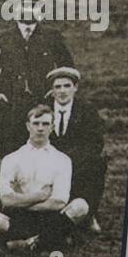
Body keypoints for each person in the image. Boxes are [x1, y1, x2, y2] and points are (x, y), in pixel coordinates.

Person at [0, 105, 89, 250]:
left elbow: (59, 202)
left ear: (52, 127)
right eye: (36, 123)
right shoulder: (11, 159)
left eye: (45, 124)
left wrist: (22, 200)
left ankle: (26, 243)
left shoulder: (62, 159)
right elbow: (6, 200)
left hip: (50, 217)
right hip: (19, 218)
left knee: (80, 206)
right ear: (28, 126)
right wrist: (40, 196)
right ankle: (49, 240)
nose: (40, 128)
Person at [0, 0, 74, 156]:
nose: (28, 11)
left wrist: (54, 91)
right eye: (24, 6)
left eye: (34, 6)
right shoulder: (2, 38)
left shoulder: (52, 37)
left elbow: (67, 67)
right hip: (11, 104)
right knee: (11, 150)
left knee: (44, 149)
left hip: (43, 100)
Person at [47, 66, 107, 232]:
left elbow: (95, 142)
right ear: (51, 90)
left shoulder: (87, 110)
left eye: (67, 86)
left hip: (79, 160)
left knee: (97, 163)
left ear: (75, 88)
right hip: (49, 159)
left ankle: (89, 212)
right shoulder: (44, 109)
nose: (62, 91)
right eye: (57, 87)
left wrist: (71, 159)